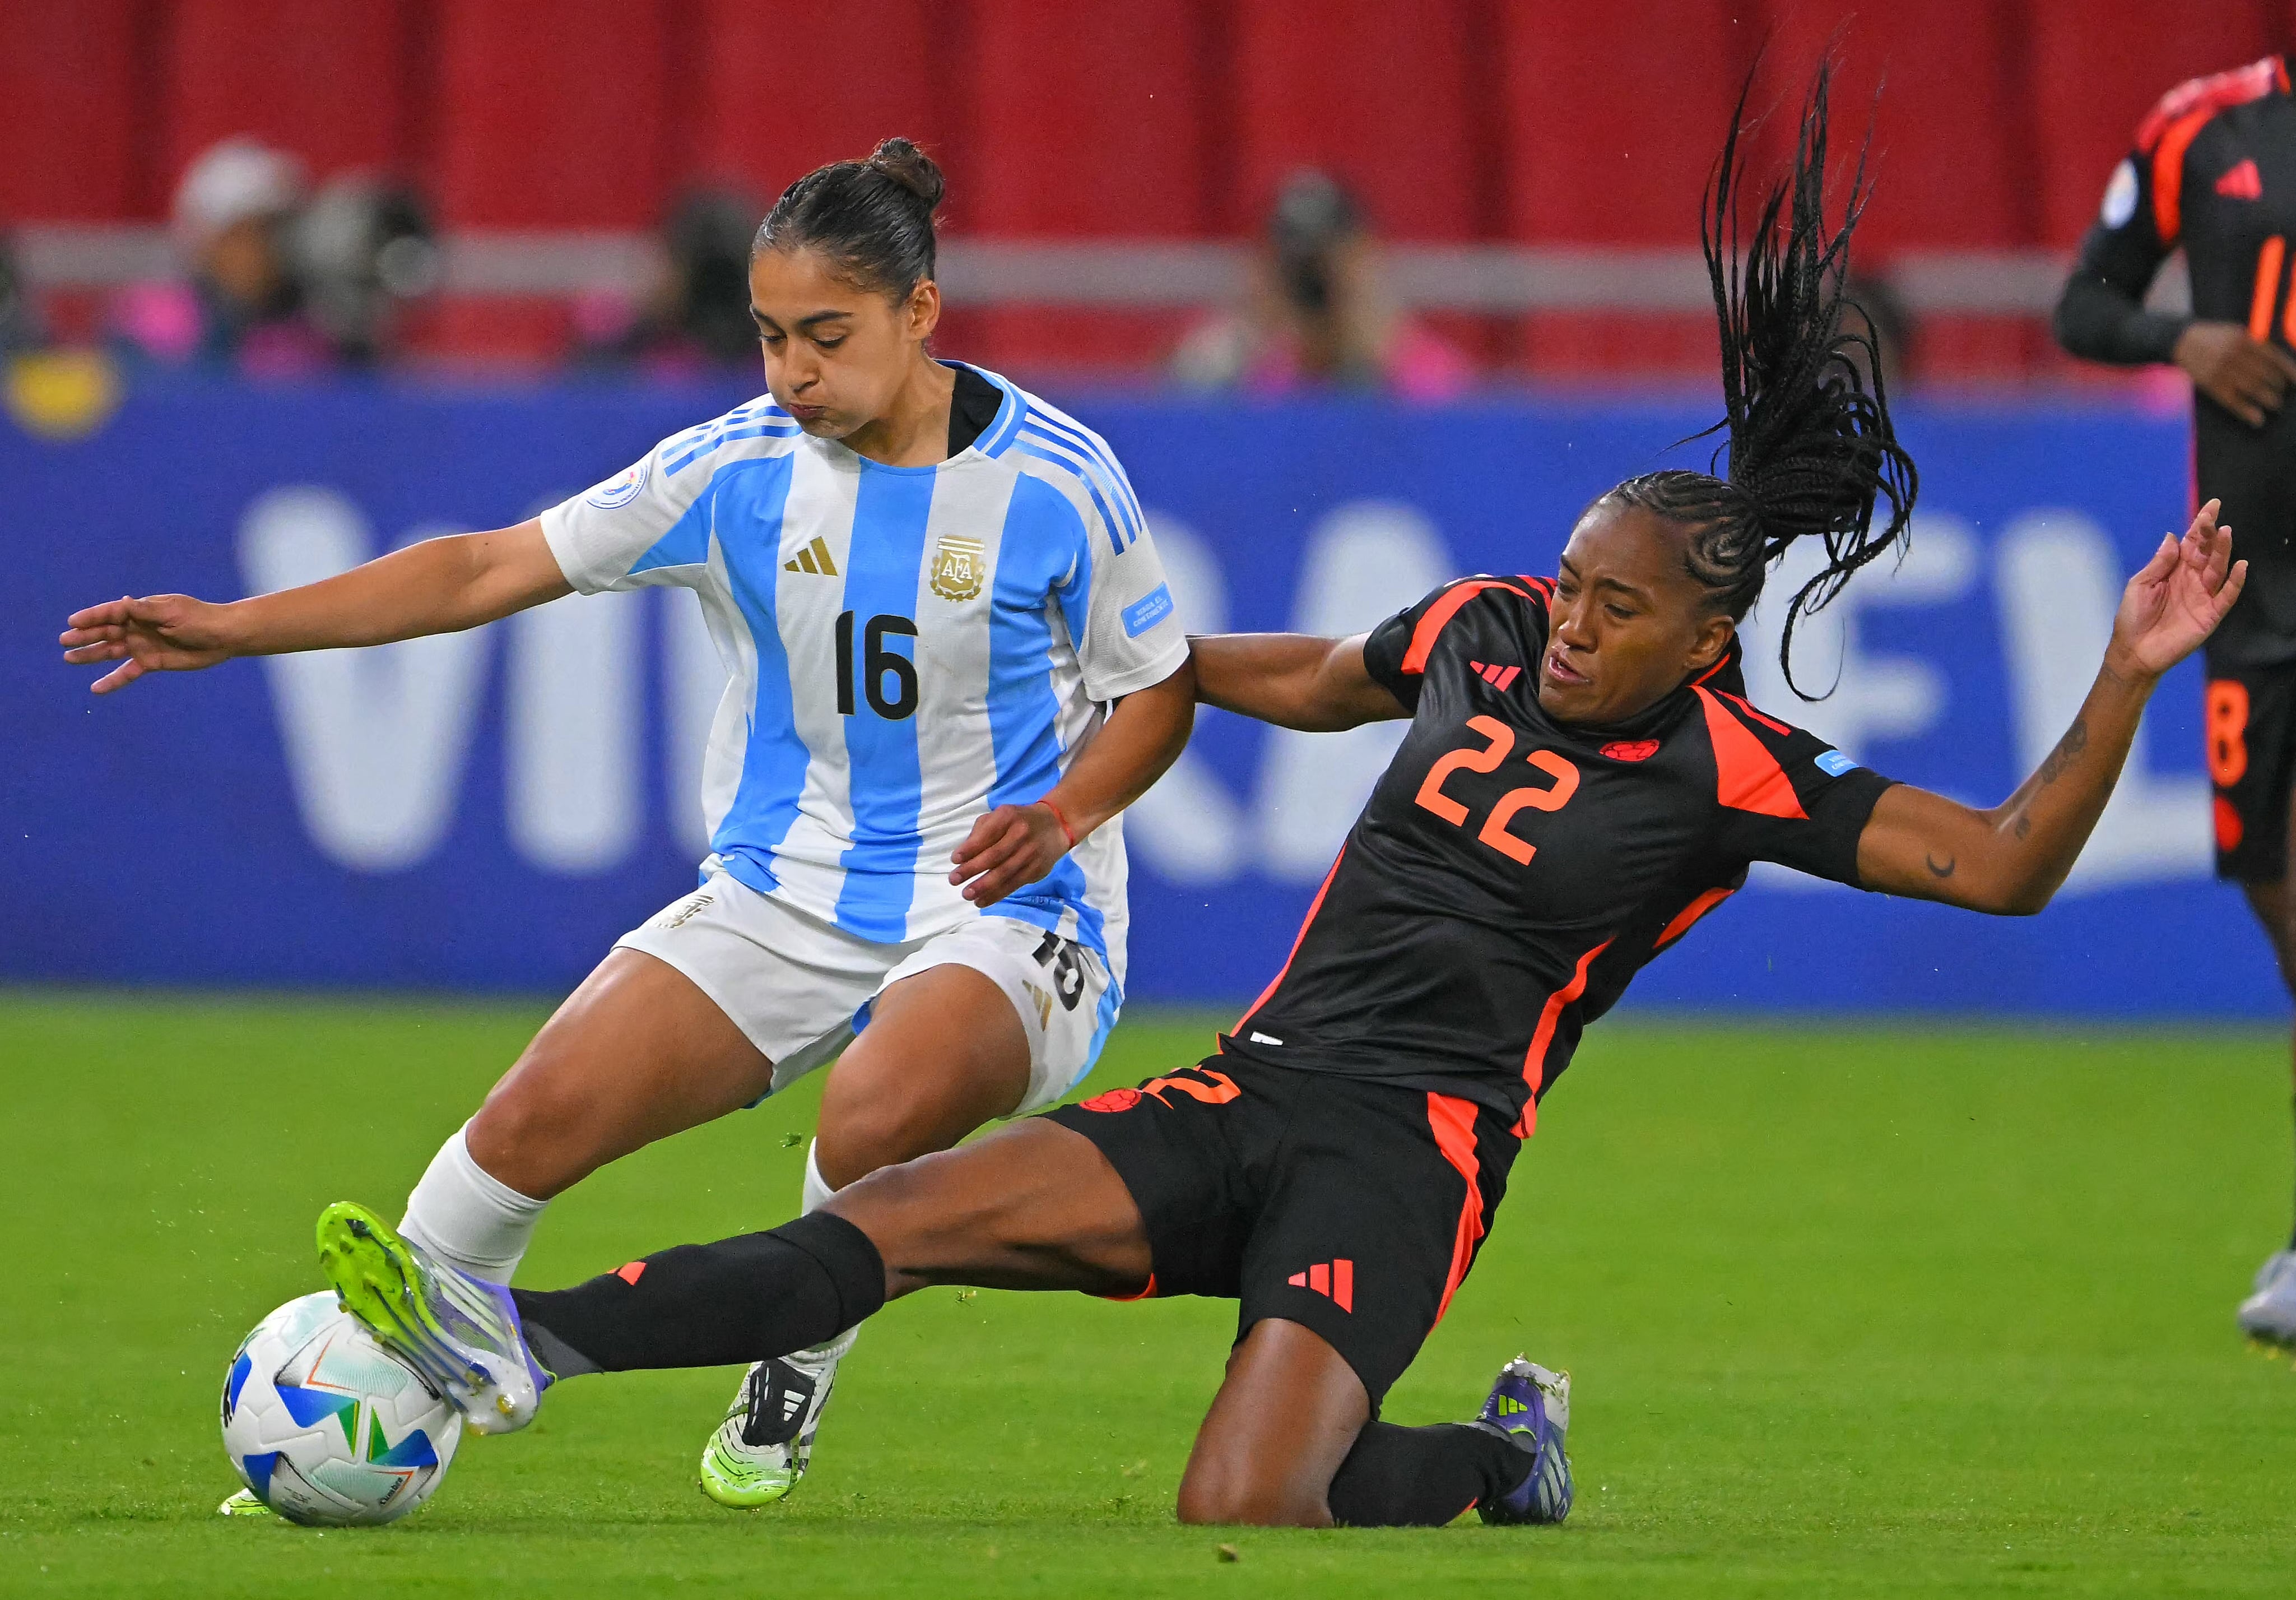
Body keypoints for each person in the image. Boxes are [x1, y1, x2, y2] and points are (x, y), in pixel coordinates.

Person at [307, 69, 2249, 1528]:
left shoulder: (1735, 771)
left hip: (1404, 1155)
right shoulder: (1481, 628)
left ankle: (1494, 1461)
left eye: (1612, 607)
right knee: (892, 1206)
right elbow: (1309, 679)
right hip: (1249, 1081)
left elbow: (1997, 868)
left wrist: (2120, 675)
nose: (1566, 622)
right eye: (1568, 580)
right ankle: (528, 1335)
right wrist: (1121, 661)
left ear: (1703, 638)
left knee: (1237, 1506)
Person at [62, 138, 1196, 1508]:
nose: (791, 375)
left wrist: (1066, 809)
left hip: (1013, 903)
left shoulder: (1063, 481)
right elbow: (486, 563)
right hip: (786, 892)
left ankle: (797, 1337)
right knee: (518, 1133)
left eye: (825, 338)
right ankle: (359, 1428)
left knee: (877, 1096)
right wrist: (240, 628)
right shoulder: (733, 467)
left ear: (920, 313)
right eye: (771, 336)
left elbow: (1160, 691)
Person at [2052, 55, 2296, 1346]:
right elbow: (2080, 308)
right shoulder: (2199, 125)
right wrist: (2182, 336)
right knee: (2276, 894)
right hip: (2247, 586)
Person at [1170, 169, 1474, 401]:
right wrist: (1246, 334)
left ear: (1365, 255)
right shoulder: (1242, 363)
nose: (1312, 285)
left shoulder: (1422, 368)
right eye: (1296, 268)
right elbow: (1175, 408)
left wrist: (1376, 351)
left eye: (1324, 267)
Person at [109, 137, 336, 378]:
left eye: (282, 230)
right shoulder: (154, 324)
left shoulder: (316, 329)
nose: (273, 249)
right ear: (211, 240)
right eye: (256, 231)